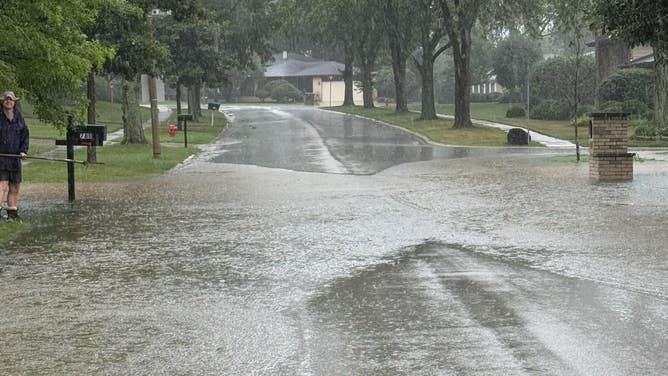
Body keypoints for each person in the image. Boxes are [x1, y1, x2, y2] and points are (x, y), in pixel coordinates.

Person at [0, 90, 29, 220]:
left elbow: (25, 136)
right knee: (2, 185)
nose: (8, 101)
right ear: (2, 101)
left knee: (15, 186)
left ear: (14, 102)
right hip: (1, 158)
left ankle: (12, 213)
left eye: (11, 99)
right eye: (6, 99)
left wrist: (23, 151)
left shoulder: (19, 118)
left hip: (15, 159)